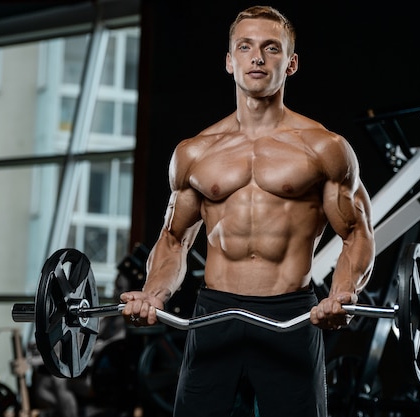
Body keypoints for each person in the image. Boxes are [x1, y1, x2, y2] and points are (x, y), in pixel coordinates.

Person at [121, 5, 375, 417]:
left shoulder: (324, 147)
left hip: (290, 316)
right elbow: (174, 239)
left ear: (291, 64)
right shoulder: (194, 152)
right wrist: (154, 294)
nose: (257, 57)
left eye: (271, 48)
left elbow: (357, 232)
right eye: (245, 47)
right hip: (213, 316)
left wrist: (344, 294)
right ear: (229, 61)